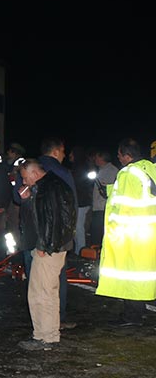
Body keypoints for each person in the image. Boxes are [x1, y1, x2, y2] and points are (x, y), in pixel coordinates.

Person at [16, 158, 76, 350]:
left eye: (25, 178)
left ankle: (46, 336)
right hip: (52, 246)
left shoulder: (49, 188)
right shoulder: (50, 185)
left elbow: (53, 219)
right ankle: (44, 334)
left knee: (43, 292)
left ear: (34, 173)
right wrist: (28, 199)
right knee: (43, 291)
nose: (24, 182)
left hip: (49, 248)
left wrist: (44, 245)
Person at [96, 138, 156, 327]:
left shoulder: (128, 172)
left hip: (130, 233)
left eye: (120, 154)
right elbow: (142, 192)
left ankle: (132, 316)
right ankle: (138, 312)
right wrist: (110, 189)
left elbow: (124, 206)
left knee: (130, 275)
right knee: (143, 274)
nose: (119, 158)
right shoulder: (148, 168)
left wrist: (114, 232)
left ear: (127, 155)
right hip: (147, 231)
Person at [89, 148, 117, 248]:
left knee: (99, 234)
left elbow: (107, 189)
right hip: (98, 207)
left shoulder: (111, 171)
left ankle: (97, 256)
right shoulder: (101, 170)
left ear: (102, 158)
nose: (95, 159)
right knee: (96, 233)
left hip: (103, 208)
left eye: (97, 157)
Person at [68, 145, 93, 254]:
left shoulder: (80, 168)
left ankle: (81, 251)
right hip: (81, 201)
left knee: (78, 227)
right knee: (77, 227)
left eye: (72, 154)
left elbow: (78, 185)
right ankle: (79, 249)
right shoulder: (80, 167)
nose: (69, 156)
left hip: (81, 202)